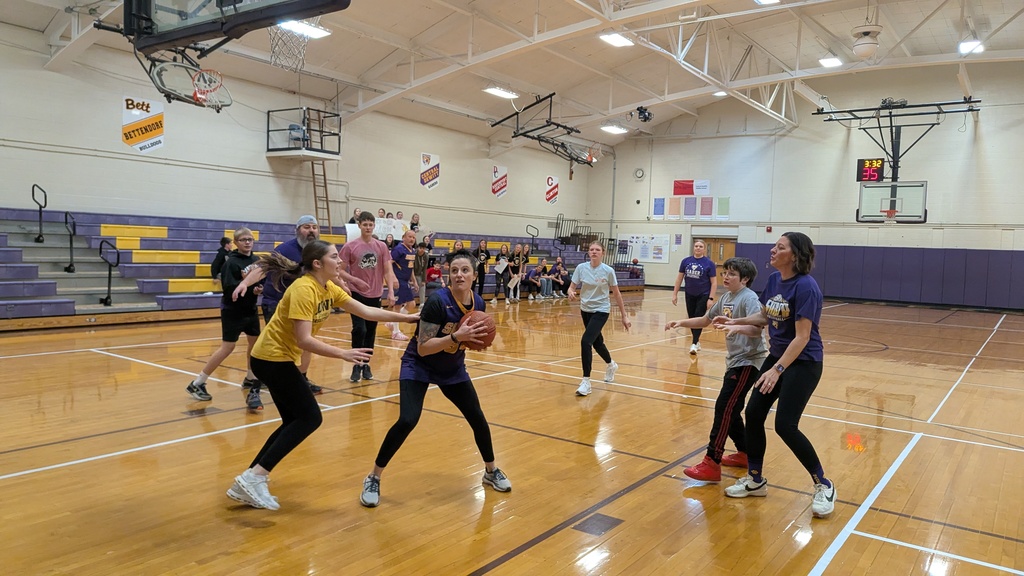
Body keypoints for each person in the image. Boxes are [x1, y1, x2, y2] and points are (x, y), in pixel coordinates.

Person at [226, 240, 418, 510]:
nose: (340, 261)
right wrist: (343, 354)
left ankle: (251, 478)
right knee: (310, 418)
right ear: (317, 264)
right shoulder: (304, 290)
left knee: (293, 421)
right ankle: (255, 476)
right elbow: (304, 340)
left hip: (278, 359)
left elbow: (365, 310)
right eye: (334, 257)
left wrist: (407, 319)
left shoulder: (328, 288)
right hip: (271, 359)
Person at [358, 249, 511, 508]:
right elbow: (423, 347)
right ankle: (373, 476)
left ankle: (490, 470)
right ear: (448, 275)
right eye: (454, 270)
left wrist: (475, 342)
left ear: (475, 275)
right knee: (407, 419)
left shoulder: (479, 304)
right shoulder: (437, 302)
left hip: (452, 368)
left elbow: (469, 340)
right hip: (419, 365)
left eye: (464, 270)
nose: (459, 275)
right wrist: (456, 337)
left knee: (477, 417)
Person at [713, 232, 835, 518]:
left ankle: (824, 484)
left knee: (785, 425)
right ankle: (755, 480)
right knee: (754, 414)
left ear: (794, 255)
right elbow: (766, 317)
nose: (772, 250)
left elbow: (802, 337)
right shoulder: (773, 281)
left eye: (780, 247)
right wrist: (735, 320)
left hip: (803, 362)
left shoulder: (806, 287)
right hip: (778, 358)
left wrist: (777, 370)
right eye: (774, 245)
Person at [665, 257, 767, 481]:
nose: (726, 277)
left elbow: (757, 329)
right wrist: (681, 323)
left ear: (745, 278)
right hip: (735, 360)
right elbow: (704, 320)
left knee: (724, 407)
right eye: (725, 273)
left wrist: (736, 327)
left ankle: (712, 461)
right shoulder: (726, 298)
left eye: (732, 274)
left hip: (750, 361)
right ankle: (745, 453)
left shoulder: (749, 298)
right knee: (730, 408)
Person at [252, 215, 366, 395]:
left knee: (305, 342)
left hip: (306, 303)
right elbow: (263, 268)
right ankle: (255, 388)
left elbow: (330, 272)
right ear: (298, 230)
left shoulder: (320, 251)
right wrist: (244, 284)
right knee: (276, 344)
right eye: (307, 227)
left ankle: (300, 379)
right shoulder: (285, 249)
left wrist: (342, 285)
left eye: (314, 227)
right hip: (277, 301)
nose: (311, 230)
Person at [187, 228, 265, 409]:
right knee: (227, 347)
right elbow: (229, 289)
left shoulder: (257, 261)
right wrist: (246, 285)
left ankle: (250, 377)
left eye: (250, 239)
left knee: (255, 345)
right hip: (233, 311)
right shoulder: (231, 263)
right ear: (236, 242)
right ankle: (198, 382)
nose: (247, 242)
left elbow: (261, 282)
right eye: (243, 239)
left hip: (251, 310)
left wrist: (257, 289)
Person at [339, 211, 399, 383]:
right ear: (359, 226)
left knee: (371, 331)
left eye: (370, 225)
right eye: (364, 224)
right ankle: (356, 363)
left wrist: (391, 292)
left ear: (374, 226)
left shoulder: (380, 247)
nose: (367, 227)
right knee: (360, 329)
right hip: (356, 294)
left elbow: (388, 270)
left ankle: (366, 363)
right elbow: (340, 270)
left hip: (376, 293)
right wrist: (353, 279)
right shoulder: (350, 246)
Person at [567, 242, 631, 396]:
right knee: (597, 343)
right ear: (588, 253)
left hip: (601, 310)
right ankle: (611, 365)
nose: (594, 252)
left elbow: (616, 294)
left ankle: (586, 382)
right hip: (585, 310)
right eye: (591, 250)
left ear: (603, 253)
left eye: (597, 250)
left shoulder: (608, 271)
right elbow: (572, 286)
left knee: (585, 341)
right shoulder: (581, 268)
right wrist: (570, 292)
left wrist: (624, 315)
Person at [673, 239, 718, 356]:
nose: (698, 248)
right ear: (694, 248)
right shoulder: (686, 261)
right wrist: (675, 294)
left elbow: (714, 282)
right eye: (696, 246)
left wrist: (711, 298)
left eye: (700, 246)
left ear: (704, 249)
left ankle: (693, 343)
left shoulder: (709, 263)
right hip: (689, 294)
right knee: (692, 318)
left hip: (703, 294)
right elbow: (679, 278)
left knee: (698, 316)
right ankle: (697, 341)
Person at [386, 230, 418, 341]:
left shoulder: (413, 251)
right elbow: (389, 262)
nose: (412, 239)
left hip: (406, 281)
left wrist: (414, 281)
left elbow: (411, 267)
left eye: (413, 237)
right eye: (409, 236)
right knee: (397, 306)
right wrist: (393, 278)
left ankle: (392, 322)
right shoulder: (399, 249)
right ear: (403, 237)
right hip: (398, 280)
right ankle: (395, 332)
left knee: (411, 304)